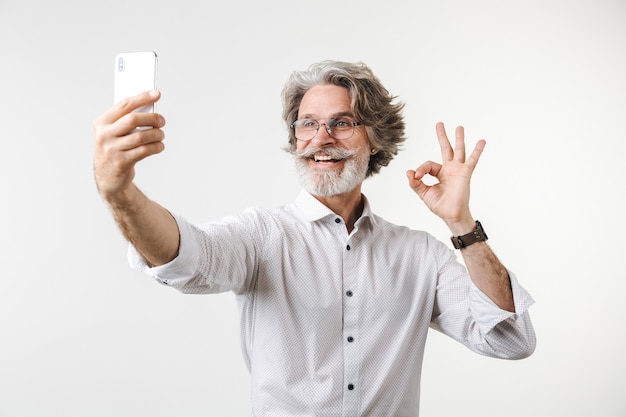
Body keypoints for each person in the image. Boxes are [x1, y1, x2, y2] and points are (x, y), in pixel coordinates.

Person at [93, 60, 536, 416]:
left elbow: (509, 341)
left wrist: (461, 224)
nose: (321, 139)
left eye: (342, 123)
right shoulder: (261, 235)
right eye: (307, 124)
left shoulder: (420, 255)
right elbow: (186, 257)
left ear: (375, 140)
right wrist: (121, 194)